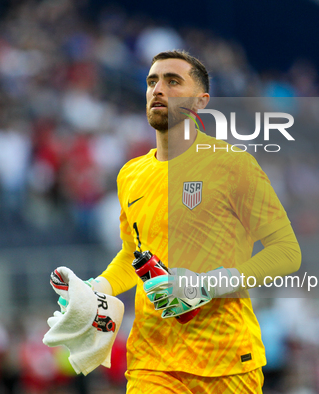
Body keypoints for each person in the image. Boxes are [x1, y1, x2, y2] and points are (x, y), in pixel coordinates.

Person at [64, 50, 301, 393]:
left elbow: (286, 251)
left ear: (200, 101)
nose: (158, 89)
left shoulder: (234, 166)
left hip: (227, 360)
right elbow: (134, 255)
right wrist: (95, 289)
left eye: (173, 81)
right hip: (154, 363)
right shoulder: (130, 174)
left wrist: (208, 285)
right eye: (152, 81)